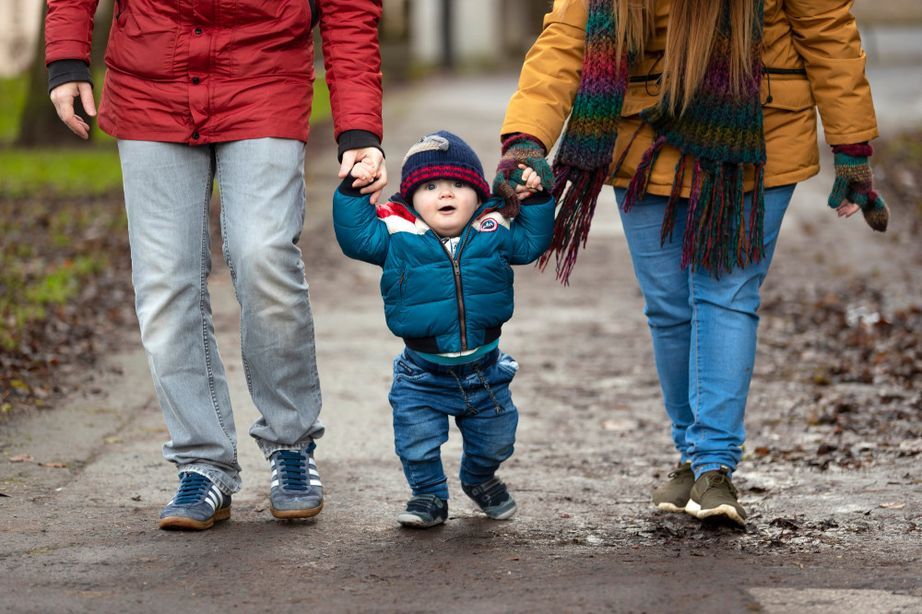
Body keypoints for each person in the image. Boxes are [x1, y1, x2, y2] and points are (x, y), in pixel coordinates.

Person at [498, 0, 886, 526]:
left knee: (726, 293)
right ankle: (692, 452)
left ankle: (713, 464)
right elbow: (568, 36)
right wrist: (526, 139)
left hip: (753, 134)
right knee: (668, 304)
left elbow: (826, 28)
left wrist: (852, 145)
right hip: (642, 133)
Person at [45, 0, 387, 530]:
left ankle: (291, 446)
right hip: (150, 82)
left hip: (262, 77)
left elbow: (349, 10)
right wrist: (66, 57)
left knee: (263, 254)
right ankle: (202, 462)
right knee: (164, 280)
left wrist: (359, 129)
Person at [332, 131, 554, 528]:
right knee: (416, 442)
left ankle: (480, 478)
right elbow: (355, 237)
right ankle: (429, 495)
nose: (445, 194)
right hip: (422, 373)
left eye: (458, 185)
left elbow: (532, 242)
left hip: (485, 372)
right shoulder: (396, 235)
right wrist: (353, 191)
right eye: (430, 186)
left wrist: (534, 199)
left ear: (479, 194)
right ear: (411, 198)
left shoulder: (495, 230)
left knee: (497, 440)